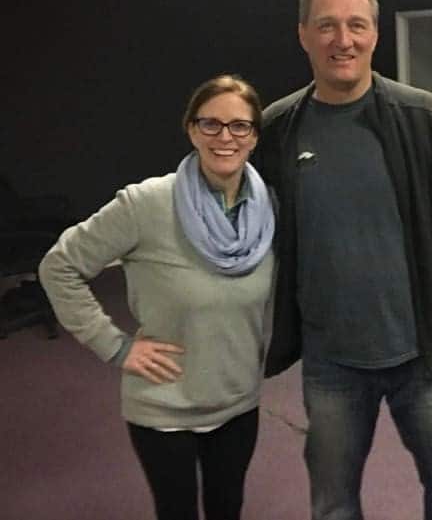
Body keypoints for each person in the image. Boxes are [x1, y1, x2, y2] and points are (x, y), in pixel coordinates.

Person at [256, 0, 432, 520]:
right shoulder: (279, 129)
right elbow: (241, 228)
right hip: (331, 362)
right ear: (303, 33)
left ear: (375, 32)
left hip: (426, 358)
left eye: (356, 24)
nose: (343, 40)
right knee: (332, 503)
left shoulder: (425, 118)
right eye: (326, 25)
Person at [39, 75, 276, 520]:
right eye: (211, 124)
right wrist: (115, 346)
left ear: (254, 136)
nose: (225, 137)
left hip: (238, 400)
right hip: (166, 405)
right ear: (191, 129)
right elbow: (59, 266)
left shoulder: (267, 211)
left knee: (229, 508)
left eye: (239, 126)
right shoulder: (147, 204)